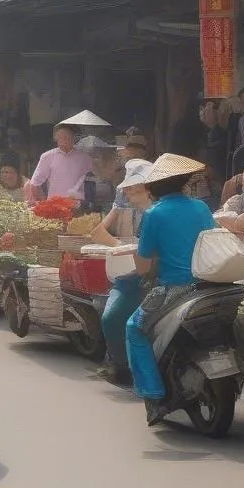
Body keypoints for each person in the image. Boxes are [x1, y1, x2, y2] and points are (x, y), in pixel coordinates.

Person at [124, 154, 216, 412]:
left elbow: (143, 268)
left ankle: (152, 392)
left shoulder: (154, 214)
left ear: (152, 187)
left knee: (134, 328)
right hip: (210, 285)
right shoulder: (201, 207)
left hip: (175, 290)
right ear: (184, 183)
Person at [95, 159, 154, 386]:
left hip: (161, 272)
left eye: (136, 186)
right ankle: (120, 364)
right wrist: (120, 244)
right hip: (133, 271)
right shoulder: (123, 202)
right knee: (112, 317)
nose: (130, 191)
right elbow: (98, 232)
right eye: (128, 187)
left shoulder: (160, 209)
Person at [25, 123, 93, 203]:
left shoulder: (84, 157)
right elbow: (35, 183)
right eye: (60, 137)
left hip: (77, 205)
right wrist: (43, 202)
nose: (63, 140)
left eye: (66, 137)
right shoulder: (47, 156)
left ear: (73, 138)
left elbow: (95, 176)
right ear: (55, 138)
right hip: (55, 205)